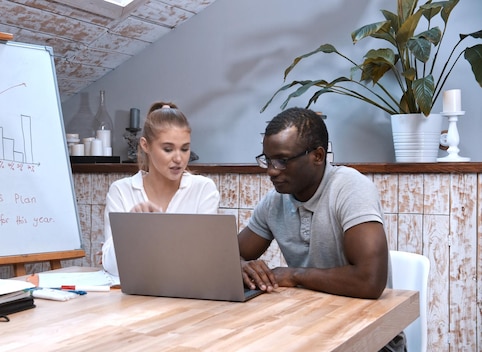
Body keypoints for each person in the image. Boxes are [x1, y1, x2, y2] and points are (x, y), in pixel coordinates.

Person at [238, 107, 405, 351]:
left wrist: (295, 275)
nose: (272, 170)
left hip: (372, 340)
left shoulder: (350, 188)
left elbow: (370, 281)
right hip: (310, 329)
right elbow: (228, 256)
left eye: (282, 160)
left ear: (318, 156)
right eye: (268, 159)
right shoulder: (275, 201)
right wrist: (242, 266)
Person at [100, 101, 220, 277]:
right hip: (135, 299)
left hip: (188, 298)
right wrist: (132, 228)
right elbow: (112, 267)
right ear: (145, 145)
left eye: (185, 149)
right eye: (168, 149)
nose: (179, 158)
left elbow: (203, 261)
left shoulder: (203, 189)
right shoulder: (120, 191)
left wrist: (151, 242)